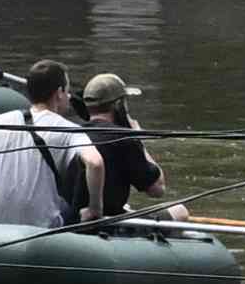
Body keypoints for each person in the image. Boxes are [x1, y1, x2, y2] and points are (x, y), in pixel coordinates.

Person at [0, 60, 100, 228]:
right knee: (72, 209)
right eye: (67, 91)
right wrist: (94, 209)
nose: (69, 97)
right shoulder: (70, 130)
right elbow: (95, 163)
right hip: (41, 229)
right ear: (59, 93)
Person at [77, 72, 184, 224]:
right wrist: (137, 138)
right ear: (118, 105)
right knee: (179, 210)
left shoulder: (74, 132)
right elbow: (157, 189)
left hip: (76, 217)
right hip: (108, 223)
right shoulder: (124, 139)